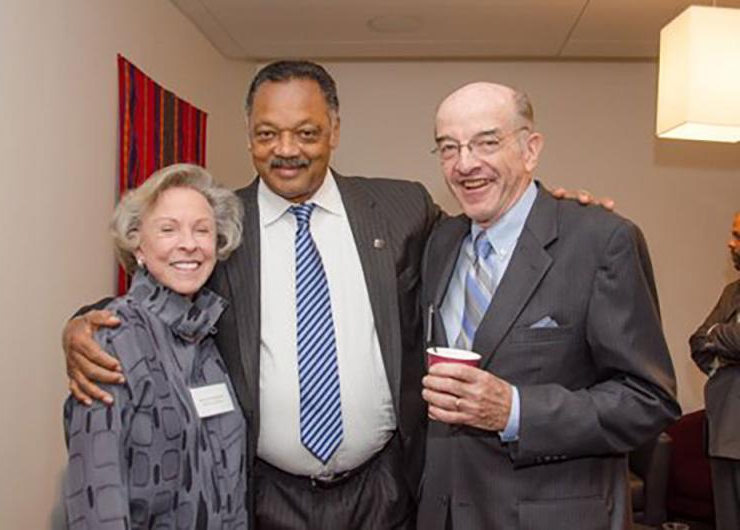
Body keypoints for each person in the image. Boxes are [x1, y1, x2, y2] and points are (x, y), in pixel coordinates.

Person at [62, 62, 609, 529]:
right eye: (267, 133)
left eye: (306, 132)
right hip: (264, 495)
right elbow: (162, 286)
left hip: (385, 489)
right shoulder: (221, 225)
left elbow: (485, 239)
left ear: (335, 130)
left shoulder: (402, 210)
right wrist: (84, 324)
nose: (286, 150)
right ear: (248, 134)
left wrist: (546, 210)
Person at [417, 82, 680, 530]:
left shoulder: (601, 241)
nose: (465, 163)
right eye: (448, 148)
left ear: (530, 149)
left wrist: (516, 411)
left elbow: (648, 400)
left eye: (487, 142)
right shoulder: (440, 242)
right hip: (442, 514)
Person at [63, 164, 246, 529]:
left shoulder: (208, 336)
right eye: (168, 229)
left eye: (202, 230)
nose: (189, 243)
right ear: (138, 245)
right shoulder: (112, 340)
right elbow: (97, 498)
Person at [690, 211, 740, 530]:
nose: (730, 243)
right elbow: (697, 341)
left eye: (738, 236)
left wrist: (718, 337)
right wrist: (722, 341)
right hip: (723, 428)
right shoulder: (732, 292)